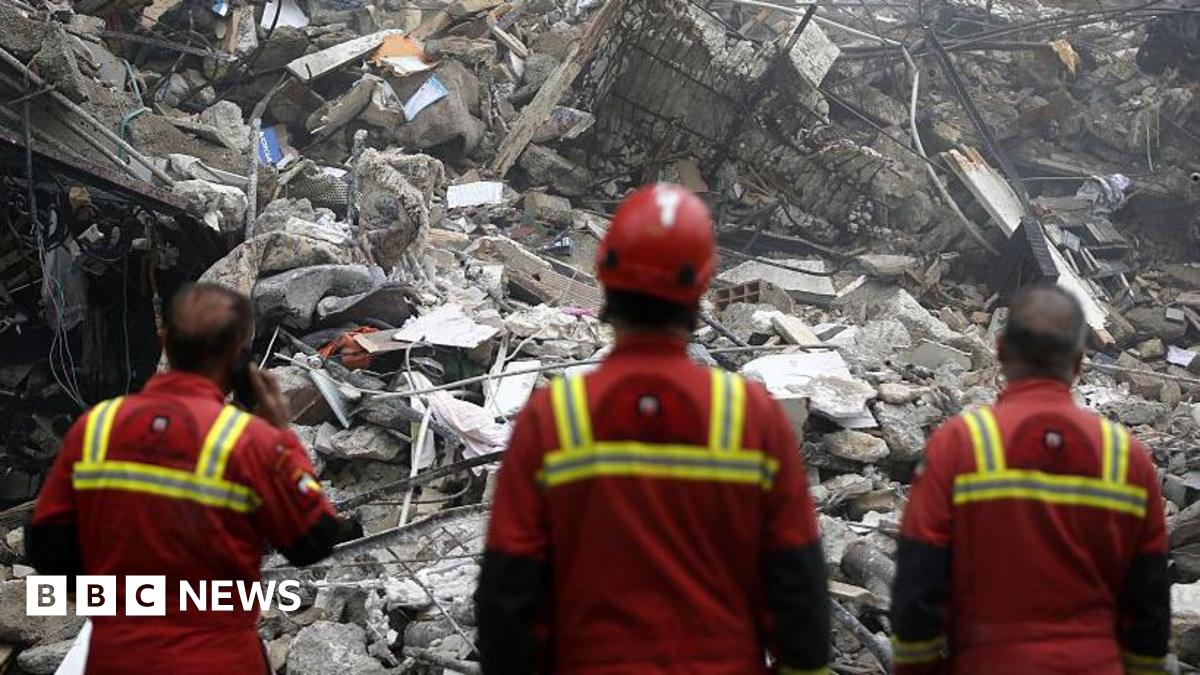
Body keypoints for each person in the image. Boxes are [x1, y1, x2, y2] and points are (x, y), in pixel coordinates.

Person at [475, 184, 831, 674]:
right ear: (703, 285)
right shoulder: (751, 418)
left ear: (604, 274)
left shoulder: (556, 418)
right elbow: (799, 596)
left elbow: (506, 597)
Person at [27, 283, 341, 674]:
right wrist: (280, 433)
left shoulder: (96, 427)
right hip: (219, 660)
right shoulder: (252, 443)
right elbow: (314, 540)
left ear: (165, 341)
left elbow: (46, 551)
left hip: (116, 658)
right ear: (240, 355)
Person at [890, 284, 1170, 675]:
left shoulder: (959, 446)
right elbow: (1149, 597)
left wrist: (916, 668)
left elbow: (918, 579)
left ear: (1001, 353)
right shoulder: (1128, 459)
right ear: (1078, 363)